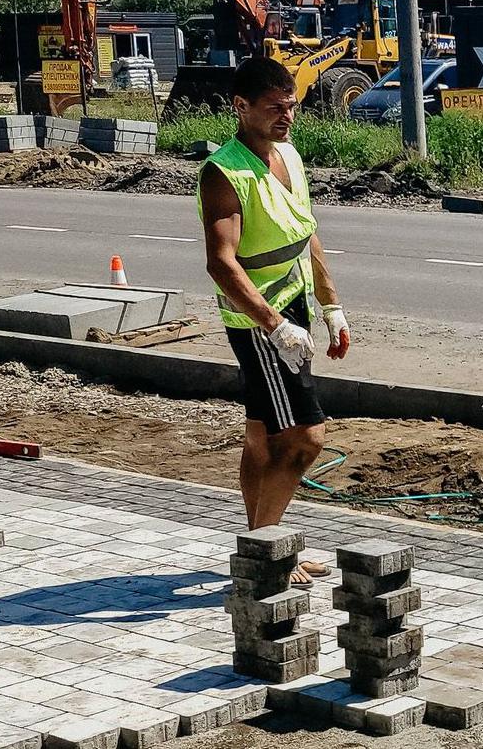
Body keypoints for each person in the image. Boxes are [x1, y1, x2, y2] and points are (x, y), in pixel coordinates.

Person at [198, 57, 350, 586]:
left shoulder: (288, 153)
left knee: (263, 437)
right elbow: (221, 261)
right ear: (240, 108)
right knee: (305, 439)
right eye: (273, 108)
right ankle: (266, 556)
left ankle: (259, 541)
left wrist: (331, 305)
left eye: (290, 106)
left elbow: (306, 230)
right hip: (261, 323)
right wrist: (274, 327)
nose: (286, 117)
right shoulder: (224, 171)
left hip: (295, 308)